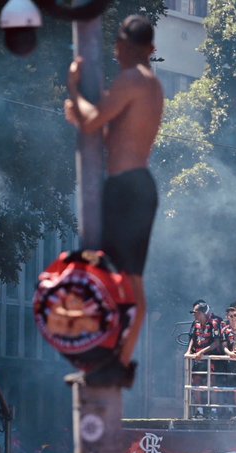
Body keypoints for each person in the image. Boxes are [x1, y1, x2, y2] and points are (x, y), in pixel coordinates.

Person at [64, 14, 165, 387]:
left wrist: (74, 88)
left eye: (120, 46)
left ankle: (118, 360)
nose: (117, 52)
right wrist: (82, 112)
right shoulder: (151, 84)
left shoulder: (133, 79)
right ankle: (116, 359)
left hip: (128, 188)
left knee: (123, 280)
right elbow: (109, 131)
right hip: (134, 185)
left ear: (126, 47)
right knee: (122, 278)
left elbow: (93, 122)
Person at [185, 301, 223, 419]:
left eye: (196, 313)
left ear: (202, 313)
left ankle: (214, 411)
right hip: (198, 359)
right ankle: (199, 410)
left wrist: (202, 352)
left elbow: (216, 343)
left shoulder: (214, 323)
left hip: (211, 359)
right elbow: (193, 338)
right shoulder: (195, 323)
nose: (194, 315)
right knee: (196, 383)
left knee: (212, 383)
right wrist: (189, 351)